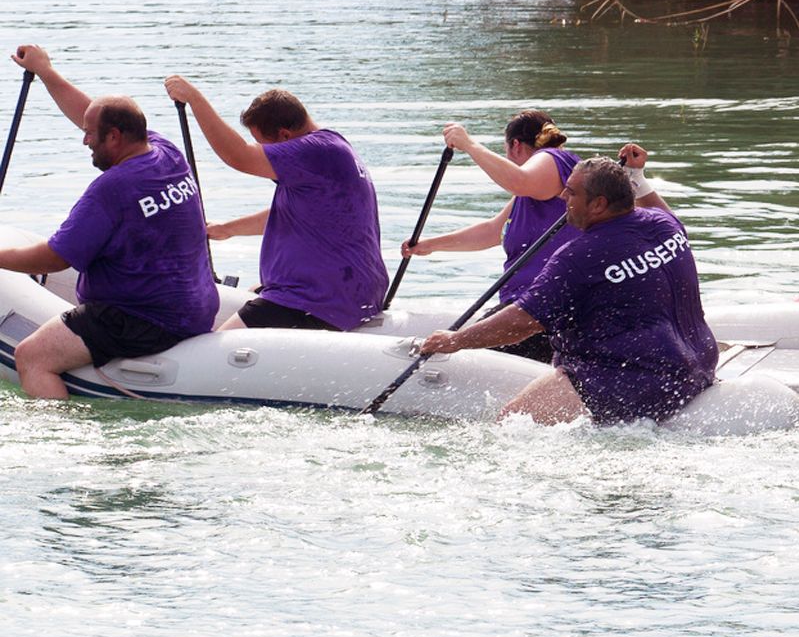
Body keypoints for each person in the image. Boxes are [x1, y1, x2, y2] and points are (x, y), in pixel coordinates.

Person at [417, 158, 717, 425]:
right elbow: (665, 216)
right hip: (700, 360)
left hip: (632, 381)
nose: (563, 197)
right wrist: (638, 176)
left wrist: (455, 340)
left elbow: (523, 321)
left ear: (598, 204)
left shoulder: (578, 256)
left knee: (511, 423)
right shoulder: (665, 224)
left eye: (572, 192)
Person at [0, 46, 217, 399]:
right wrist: (46, 73)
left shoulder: (111, 189)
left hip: (140, 319)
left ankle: (61, 438)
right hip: (196, 308)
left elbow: (54, 259)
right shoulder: (167, 153)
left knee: (31, 356)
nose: (84, 139)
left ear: (114, 136)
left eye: (90, 134)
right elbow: (91, 114)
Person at [400, 112, 669, 362]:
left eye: (507, 151)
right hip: (532, 309)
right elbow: (495, 231)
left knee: (456, 352)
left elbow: (518, 179)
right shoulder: (531, 193)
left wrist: (469, 144)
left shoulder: (553, 158)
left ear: (516, 146)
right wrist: (429, 246)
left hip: (541, 315)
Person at [162, 77, 387, 332]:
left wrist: (194, 98)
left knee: (209, 352)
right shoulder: (330, 150)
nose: (263, 152)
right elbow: (295, 215)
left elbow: (238, 155)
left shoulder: (317, 151)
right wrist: (228, 229)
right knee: (250, 293)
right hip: (336, 291)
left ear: (285, 136)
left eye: (264, 146)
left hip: (317, 300)